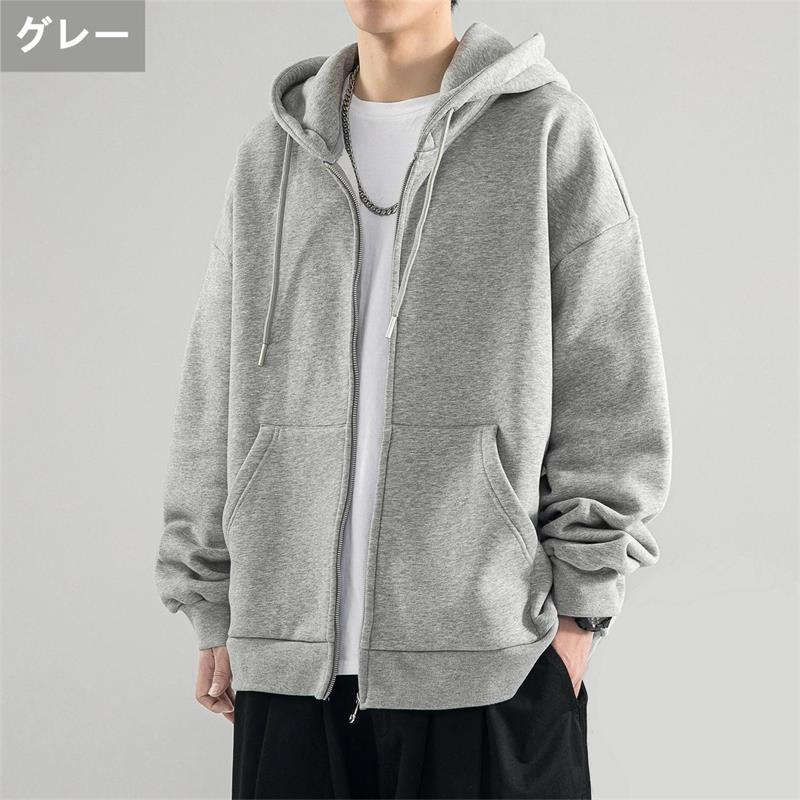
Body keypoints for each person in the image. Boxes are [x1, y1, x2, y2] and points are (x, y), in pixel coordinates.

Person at [154, 1, 672, 797]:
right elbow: (214, 384)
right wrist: (212, 601)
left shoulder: (546, 132)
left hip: (491, 663)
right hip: (288, 666)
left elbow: (611, 381)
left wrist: (578, 618)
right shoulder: (273, 156)